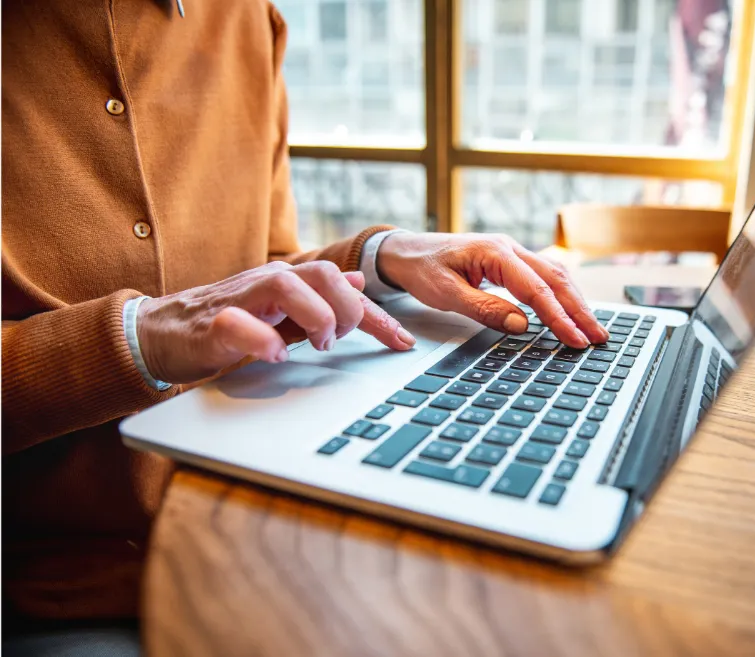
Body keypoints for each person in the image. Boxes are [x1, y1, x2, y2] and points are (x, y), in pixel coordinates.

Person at [1, 0, 609, 629]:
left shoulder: (248, 18)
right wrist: (142, 338)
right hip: (76, 594)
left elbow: (264, 266)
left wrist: (381, 256)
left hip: (268, 519)